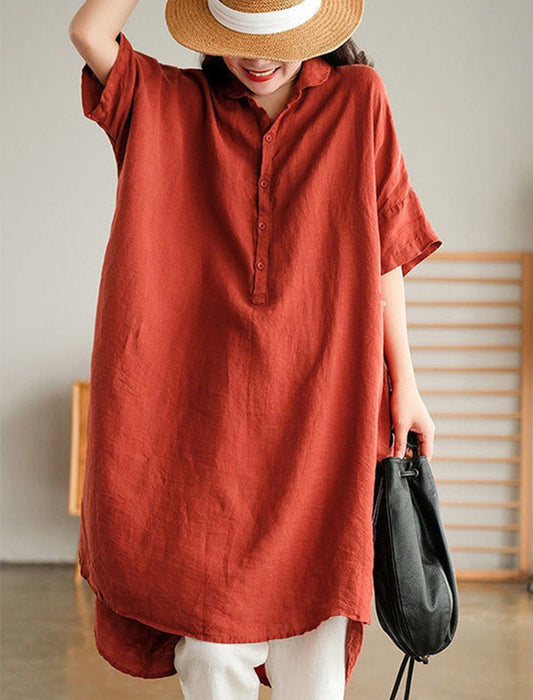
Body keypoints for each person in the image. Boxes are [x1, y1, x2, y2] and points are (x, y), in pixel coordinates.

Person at [69, 0, 442, 697]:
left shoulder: (358, 99)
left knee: (313, 653)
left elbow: (385, 253)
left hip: (324, 407)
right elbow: (89, 31)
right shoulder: (167, 103)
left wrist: (407, 385)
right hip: (201, 429)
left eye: (277, 37)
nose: (258, 57)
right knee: (211, 653)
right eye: (239, 34)